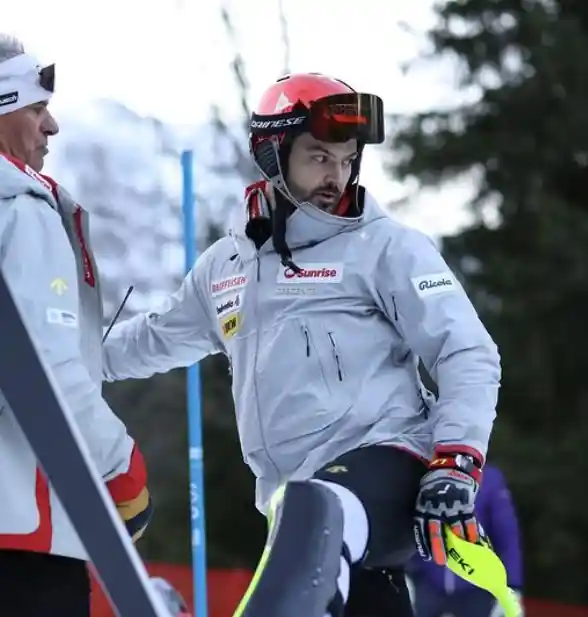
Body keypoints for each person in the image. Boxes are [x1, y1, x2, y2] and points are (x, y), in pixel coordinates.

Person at [102, 72, 502, 617]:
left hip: (387, 465)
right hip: (298, 508)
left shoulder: (386, 247)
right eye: (319, 157)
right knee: (320, 533)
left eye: (347, 159)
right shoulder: (226, 267)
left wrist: (456, 460)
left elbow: (466, 350)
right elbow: (153, 337)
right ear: (273, 154)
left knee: (318, 509)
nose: (337, 176)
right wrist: (69, 361)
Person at [0, 34, 154, 617]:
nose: (52, 125)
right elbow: (44, 366)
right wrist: (120, 467)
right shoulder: (20, 207)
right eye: (36, 108)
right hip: (24, 541)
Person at [406, 464, 523, 617]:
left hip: (477, 587)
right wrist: (402, 571)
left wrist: (512, 587)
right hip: (427, 583)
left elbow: (506, 533)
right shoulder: (421, 470)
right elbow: (405, 522)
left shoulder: (490, 477)